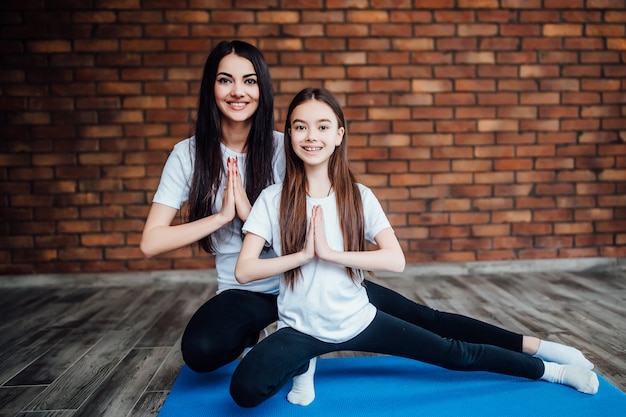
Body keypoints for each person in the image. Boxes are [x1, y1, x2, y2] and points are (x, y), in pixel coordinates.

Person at [140, 40, 593, 382]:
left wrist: (330, 254)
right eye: (225, 79)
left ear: (263, 89)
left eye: (249, 80)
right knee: (201, 348)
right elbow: (152, 241)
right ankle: (278, 338)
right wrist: (224, 217)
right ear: (211, 87)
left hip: (320, 280)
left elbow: (322, 216)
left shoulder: (288, 145)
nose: (238, 91)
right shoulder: (189, 154)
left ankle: (541, 349)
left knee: (428, 321)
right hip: (250, 290)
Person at [229, 87, 599, 408]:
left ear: (339, 134)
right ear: (290, 135)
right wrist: (303, 255)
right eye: (300, 126)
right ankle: (302, 362)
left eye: (323, 126)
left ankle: (551, 370)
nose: (312, 136)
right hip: (300, 328)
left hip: (358, 319)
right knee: (245, 390)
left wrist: (332, 254)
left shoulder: (358, 197)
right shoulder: (272, 199)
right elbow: (244, 270)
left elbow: (396, 259)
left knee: (455, 353)